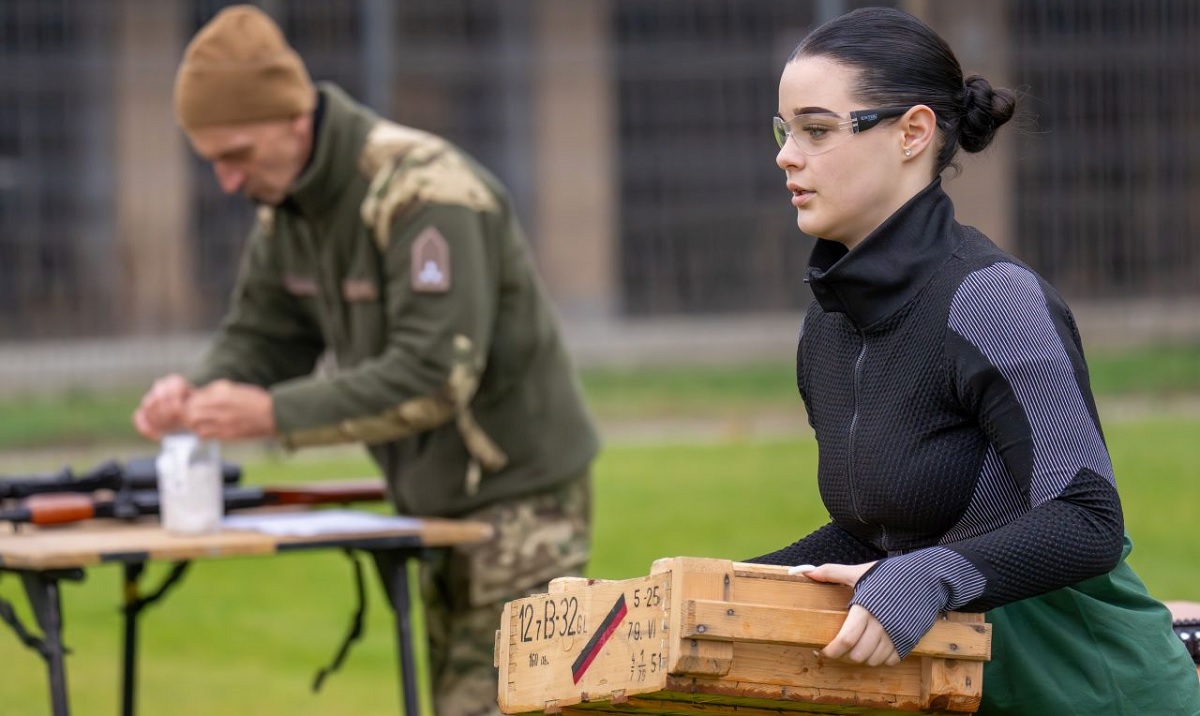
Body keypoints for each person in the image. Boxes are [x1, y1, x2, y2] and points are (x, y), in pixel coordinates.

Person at [131, 6, 599, 715]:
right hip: (434, 507)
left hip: (522, 506)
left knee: (496, 706)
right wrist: (196, 394)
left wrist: (272, 413)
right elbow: (263, 335)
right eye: (213, 161)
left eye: (236, 154)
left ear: (293, 119)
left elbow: (433, 376)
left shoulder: (424, 192)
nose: (226, 180)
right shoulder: (284, 207)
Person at [747, 7, 1200, 714]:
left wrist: (931, 576)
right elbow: (883, 532)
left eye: (818, 129)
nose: (786, 154)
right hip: (960, 696)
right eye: (784, 131)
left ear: (913, 133)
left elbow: (1086, 518)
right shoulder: (829, 327)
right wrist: (716, 587)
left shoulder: (993, 300)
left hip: (1099, 696)